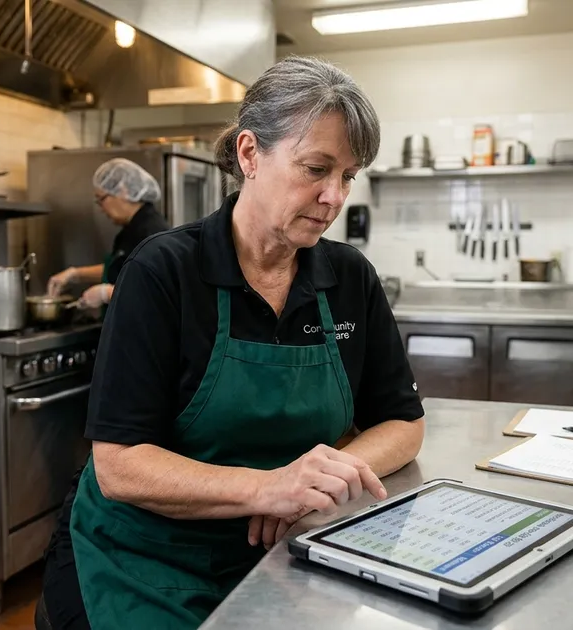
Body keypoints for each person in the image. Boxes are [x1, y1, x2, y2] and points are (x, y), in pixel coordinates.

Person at [36, 55, 426, 630]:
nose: (334, 197)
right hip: (142, 558)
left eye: (347, 176)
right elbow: (120, 465)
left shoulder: (349, 279)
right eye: (316, 168)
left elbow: (403, 423)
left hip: (280, 550)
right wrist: (267, 488)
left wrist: (315, 483)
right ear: (249, 154)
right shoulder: (162, 272)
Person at [45, 158, 170, 308]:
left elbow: (155, 291)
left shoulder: (151, 232)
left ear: (123, 191)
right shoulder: (133, 228)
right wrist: (75, 274)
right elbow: (121, 269)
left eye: (101, 199)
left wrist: (107, 293)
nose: (101, 208)